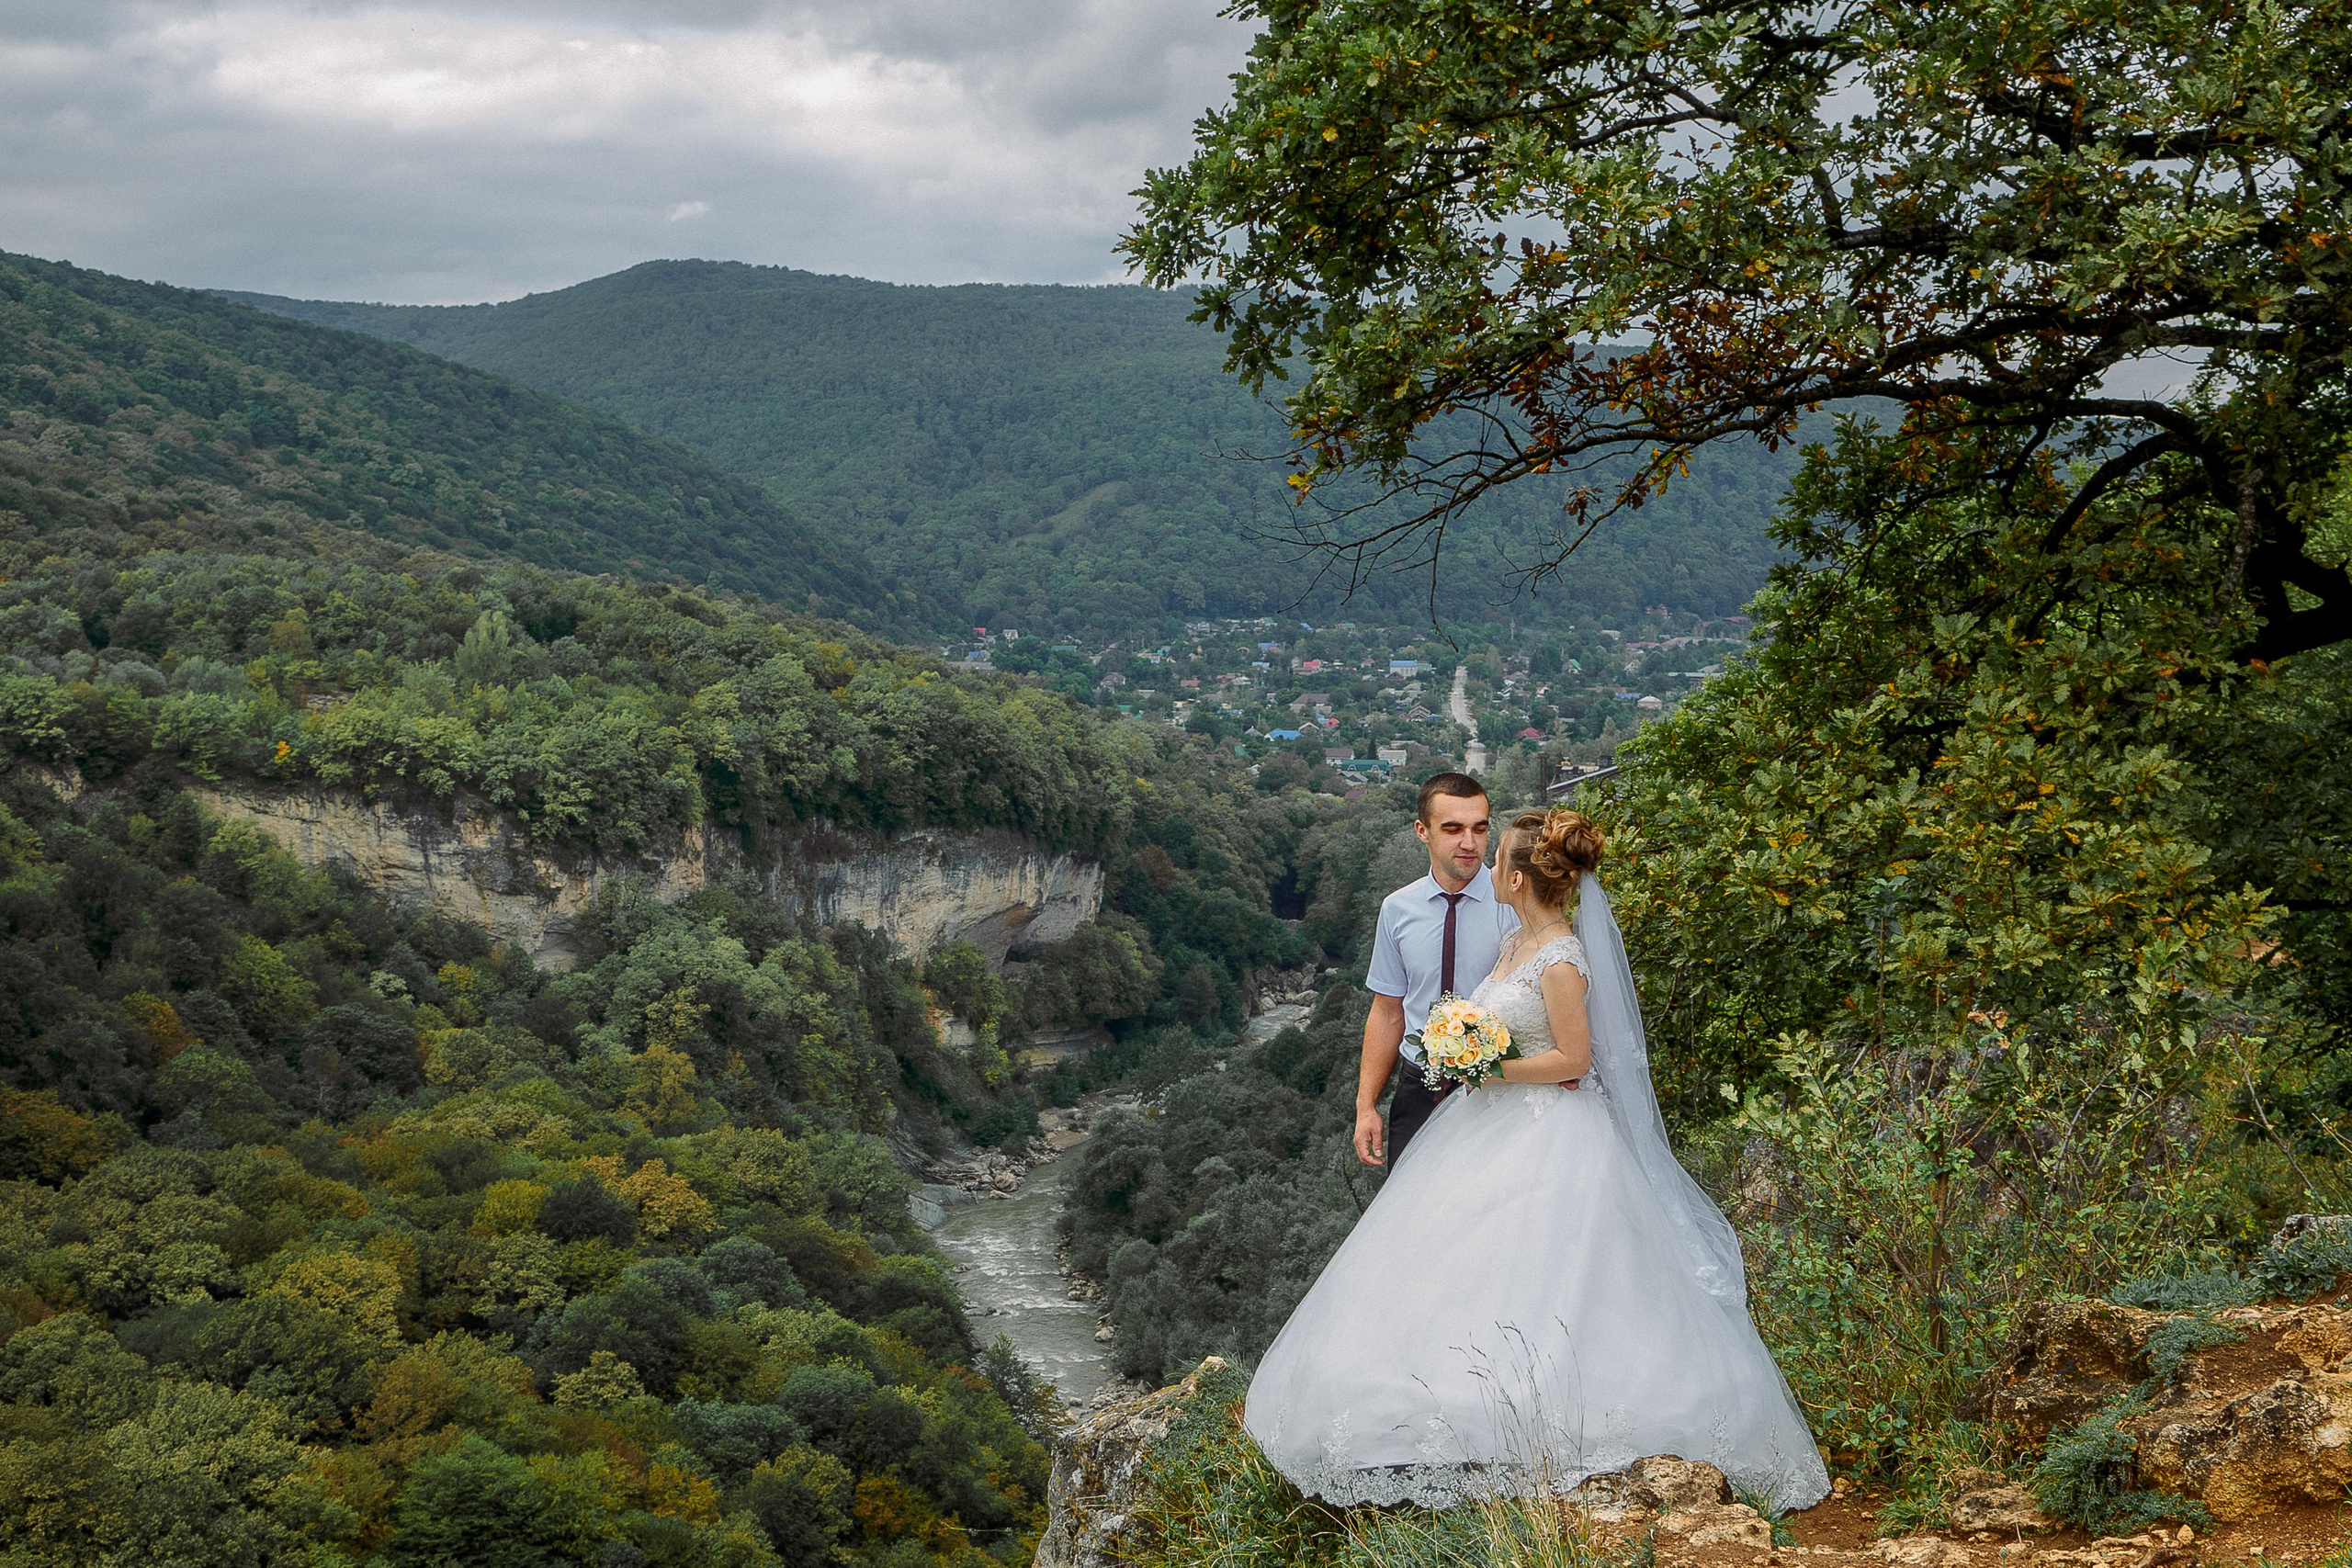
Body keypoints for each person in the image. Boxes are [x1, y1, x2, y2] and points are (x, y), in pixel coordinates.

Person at [1245, 808, 1831, 1512]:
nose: (1488, 866)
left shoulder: (1560, 957)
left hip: (1551, 1130)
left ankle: (1534, 1421)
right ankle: (1444, 1402)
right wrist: (1467, 1048)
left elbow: (1575, 1059)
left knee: (1551, 1272)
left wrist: (1489, 1068)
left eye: (1497, 859)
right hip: (1485, 1125)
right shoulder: (1516, 942)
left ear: (1518, 878)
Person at [1356, 773, 1521, 1169]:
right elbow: (1387, 1011)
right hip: (1417, 1091)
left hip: (1497, 1094)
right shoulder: (1397, 909)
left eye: (1479, 829)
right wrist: (1366, 1106)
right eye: (1453, 829)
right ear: (1422, 831)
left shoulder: (1516, 903)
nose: (1470, 843)